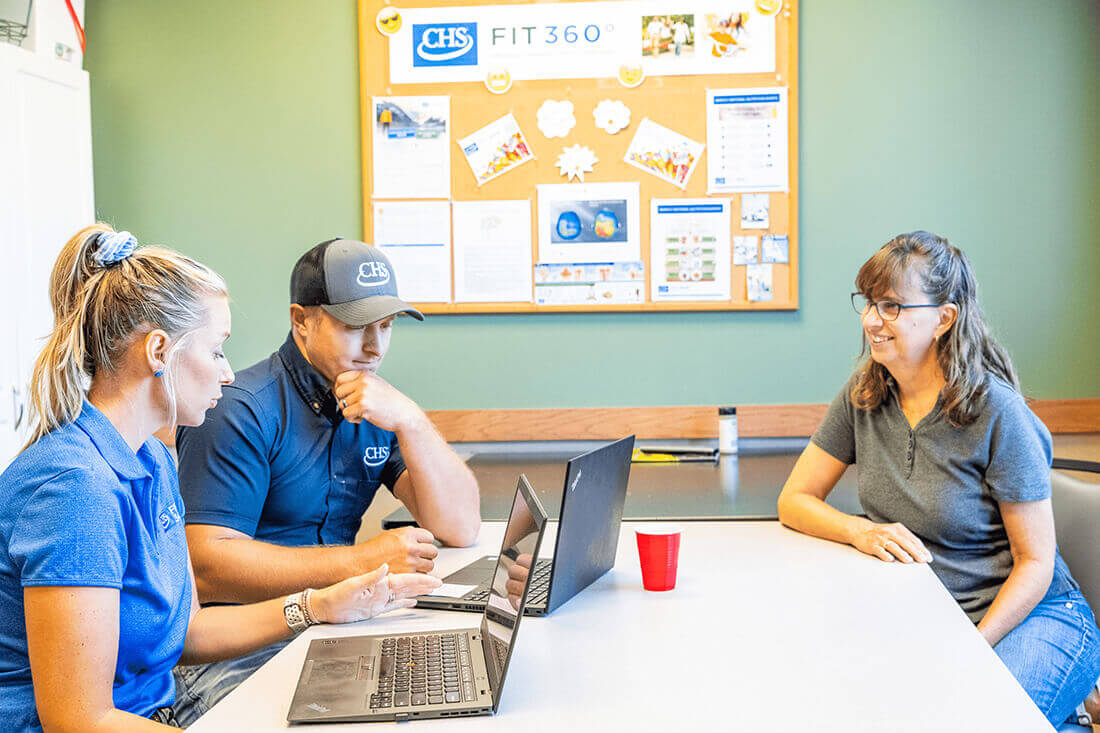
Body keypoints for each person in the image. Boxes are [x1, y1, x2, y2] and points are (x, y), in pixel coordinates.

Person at [0, 225, 441, 732]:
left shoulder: (151, 458)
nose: (227, 373)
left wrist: (319, 605)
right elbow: (81, 721)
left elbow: (188, 632)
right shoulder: (75, 489)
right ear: (159, 351)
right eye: (215, 351)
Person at [776, 231, 1100, 730]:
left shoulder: (998, 412)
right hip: (926, 616)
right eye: (868, 302)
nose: (871, 320)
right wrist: (861, 530)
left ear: (944, 319)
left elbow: (1036, 565)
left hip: (1030, 616)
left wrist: (971, 649)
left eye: (891, 306)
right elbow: (795, 499)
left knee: (975, 720)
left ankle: (1066, 697)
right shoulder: (864, 394)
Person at [173, 237, 480, 722]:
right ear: (301, 320)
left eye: (386, 326)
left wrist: (412, 420)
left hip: (338, 621)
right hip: (235, 646)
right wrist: (360, 561)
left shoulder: (376, 404)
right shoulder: (238, 409)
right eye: (355, 327)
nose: (375, 347)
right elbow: (206, 567)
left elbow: (461, 527)